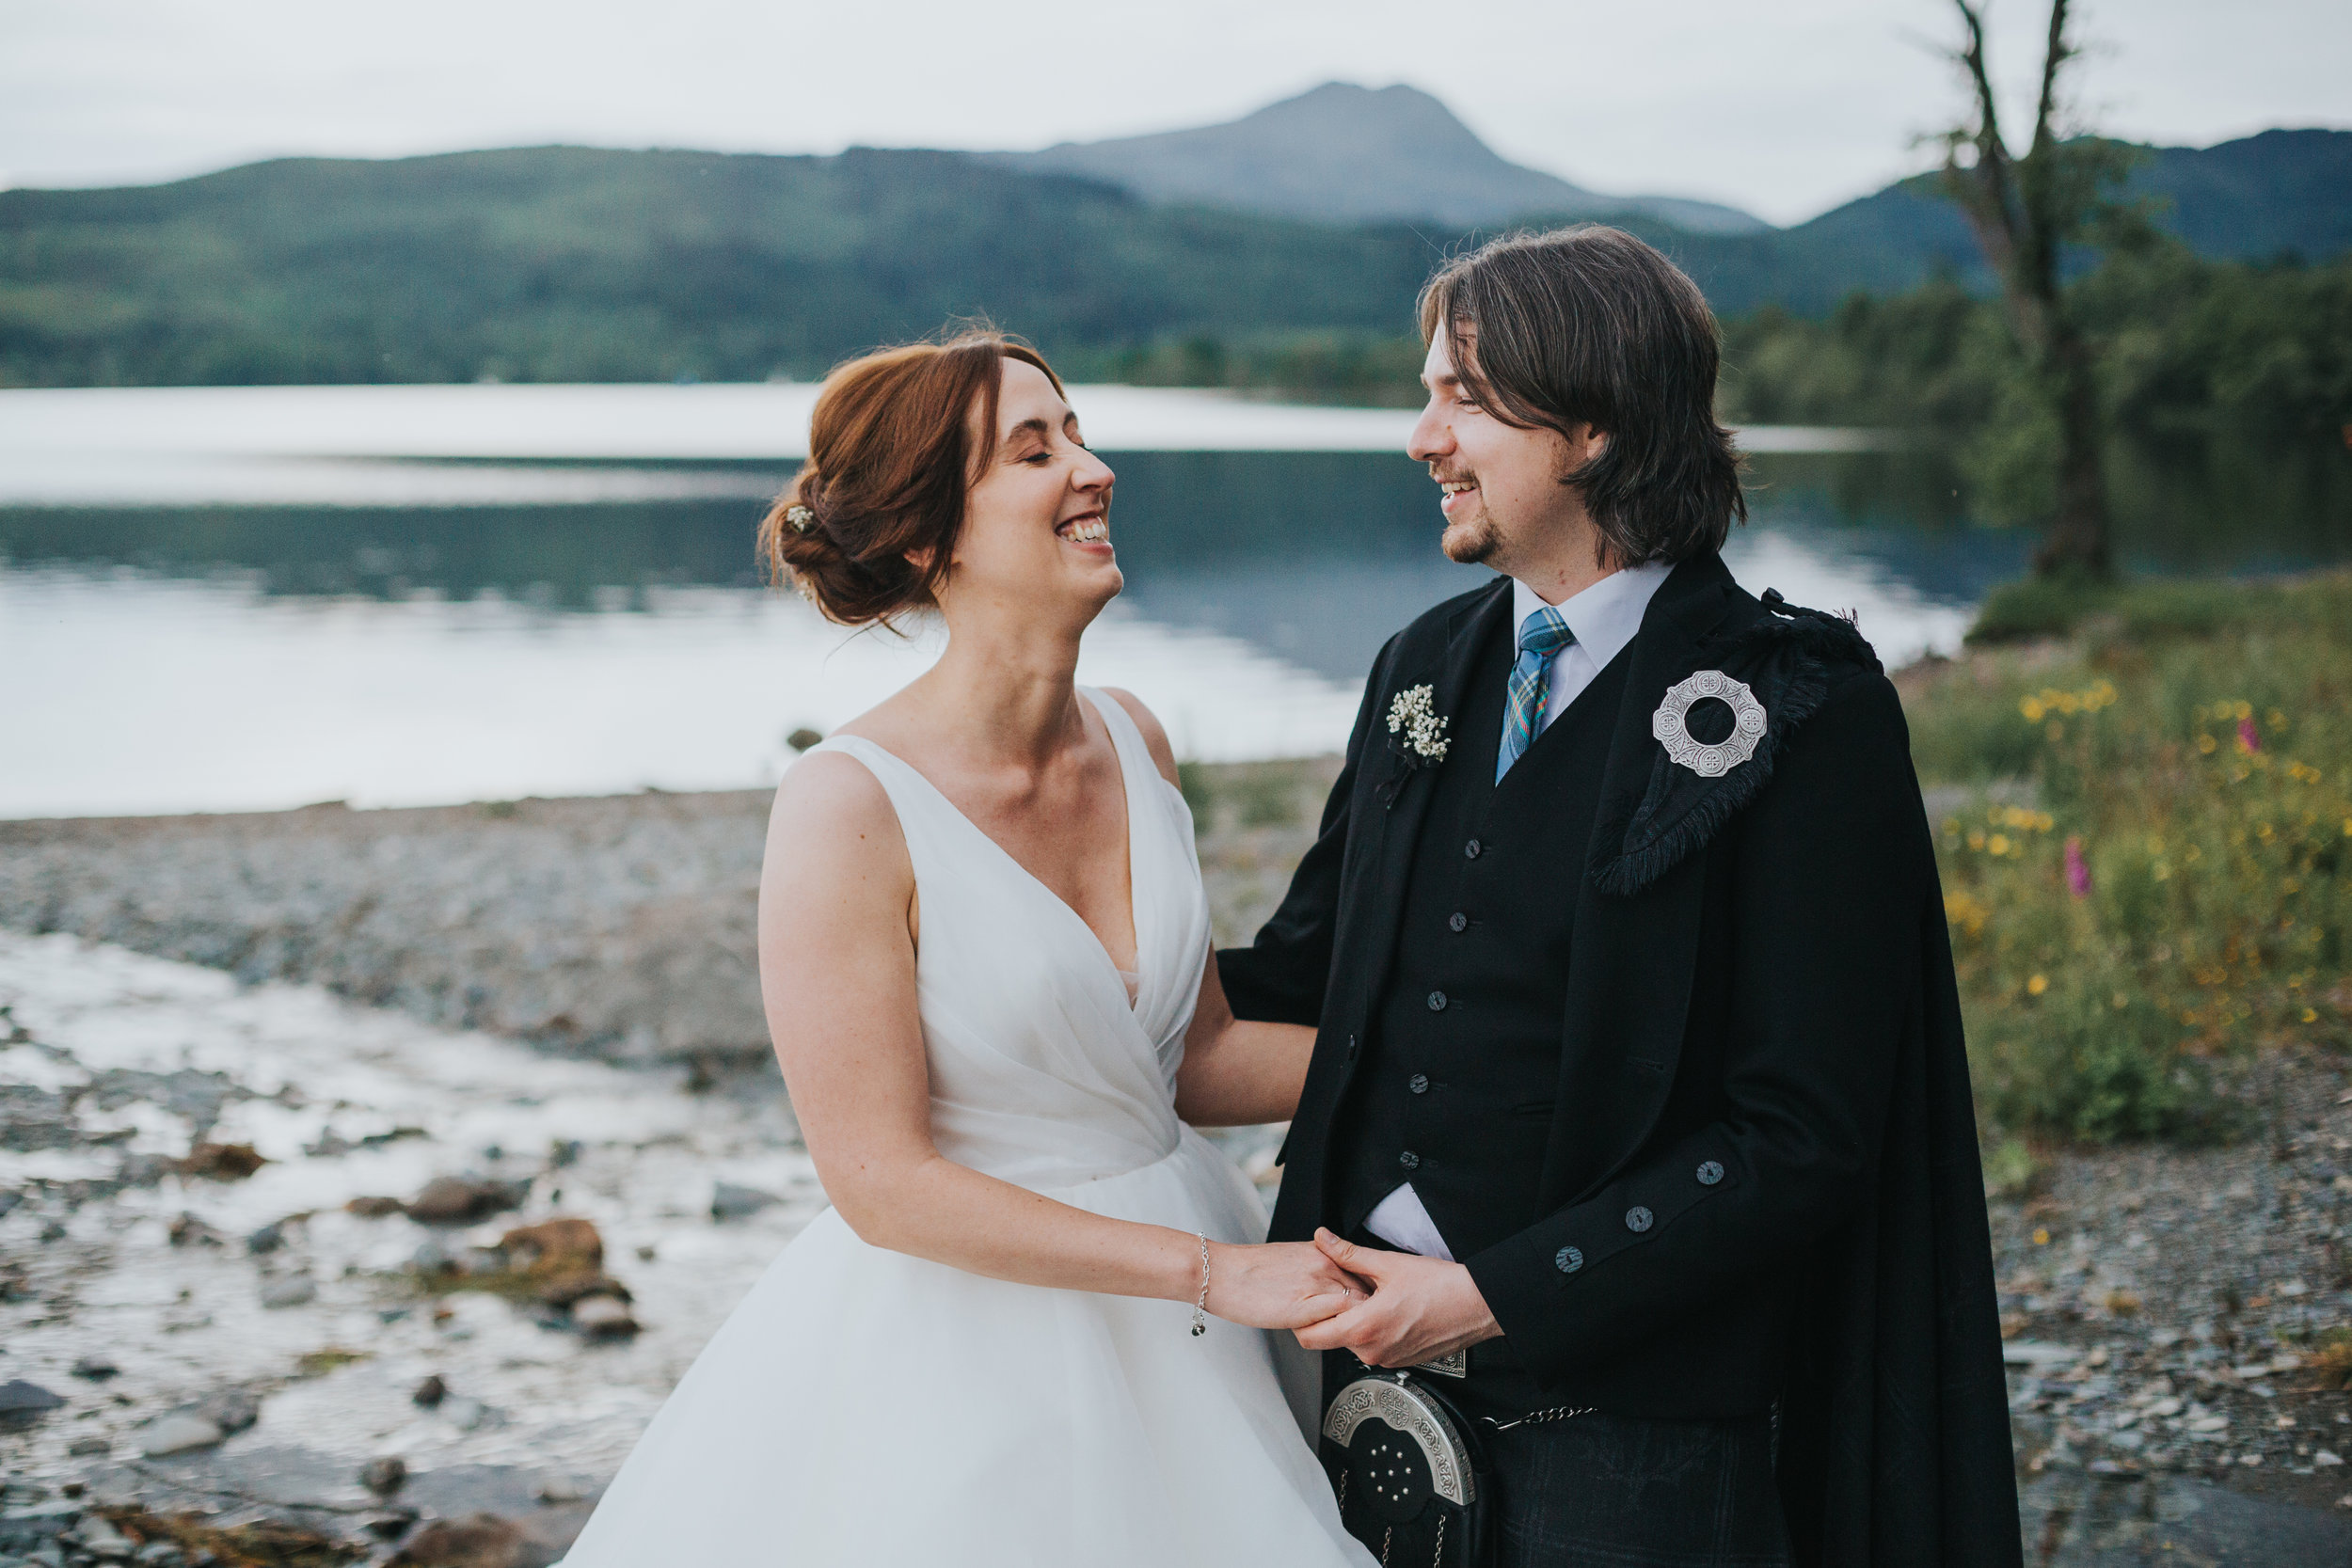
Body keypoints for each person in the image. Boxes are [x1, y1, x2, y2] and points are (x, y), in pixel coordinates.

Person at [1218, 227, 2023, 1567]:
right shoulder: (1420, 665)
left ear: (1587, 427)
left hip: (1634, 1439)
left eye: (1459, 399)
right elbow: (1304, 975)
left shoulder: (1801, 708)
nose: (1422, 439)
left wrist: (1488, 1297)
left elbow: (1803, 1130)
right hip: (1344, 1394)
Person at [556, 331, 1376, 1567]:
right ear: (930, 537)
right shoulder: (846, 805)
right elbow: (880, 1181)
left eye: (1081, 433)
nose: (1092, 470)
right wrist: (1214, 1273)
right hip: (974, 1340)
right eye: (1034, 450)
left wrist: (1450, 1065)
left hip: (1197, 1343)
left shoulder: (1136, 740)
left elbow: (1194, 1062)